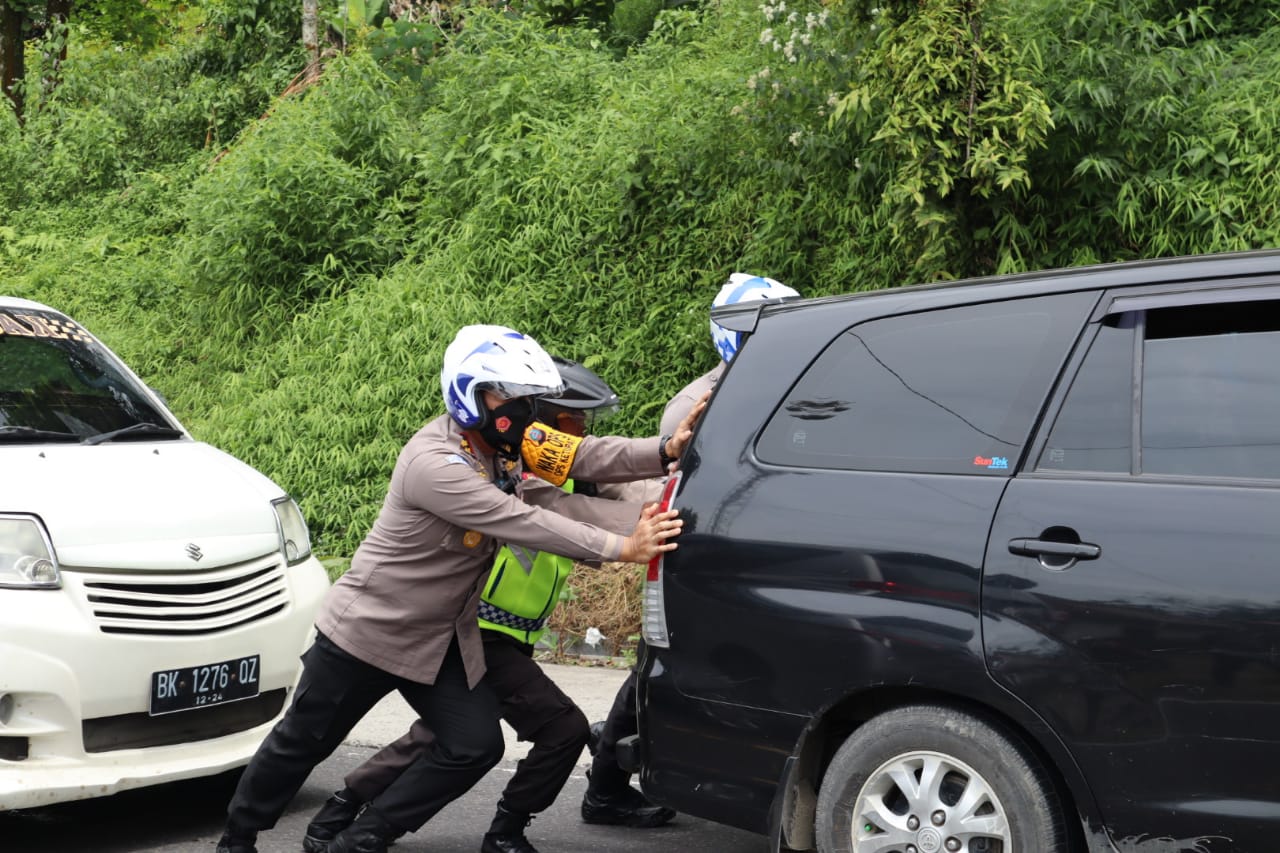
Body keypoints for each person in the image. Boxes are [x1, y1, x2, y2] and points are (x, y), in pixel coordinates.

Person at [215, 325, 704, 853]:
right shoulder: (436, 464)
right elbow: (518, 518)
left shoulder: (506, 442)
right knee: (301, 742)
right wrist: (622, 546)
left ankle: (362, 836)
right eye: (511, 399)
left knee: (473, 746)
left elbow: (583, 457)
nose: (524, 412)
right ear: (469, 394)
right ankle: (238, 839)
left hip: (442, 637)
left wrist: (663, 450)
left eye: (530, 401)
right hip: (368, 633)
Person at [301, 357, 638, 853]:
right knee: (561, 728)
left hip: (514, 636)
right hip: (479, 629)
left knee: (438, 736)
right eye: (572, 420)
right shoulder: (509, 472)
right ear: (537, 419)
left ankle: (343, 814)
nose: (582, 431)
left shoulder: (565, 473)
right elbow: (544, 519)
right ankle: (497, 831)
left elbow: (626, 488)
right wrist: (620, 543)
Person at [581, 273, 799, 828]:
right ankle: (608, 778)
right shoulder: (696, 407)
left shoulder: (775, 389)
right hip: (696, 551)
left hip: (753, 548)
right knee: (657, 669)